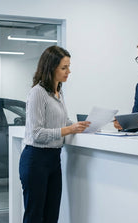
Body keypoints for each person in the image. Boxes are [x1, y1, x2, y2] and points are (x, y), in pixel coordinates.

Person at [19, 45, 90, 223]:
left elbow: (63, 122)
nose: (69, 71)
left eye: (69, 66)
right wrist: (69, 129)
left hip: (53, 159)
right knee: (34, 216)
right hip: (35, 160)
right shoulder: (37, 93)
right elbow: (37, 133)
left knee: (51, 216)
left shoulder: (58, 93)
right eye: (64, 68)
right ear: (51, 68)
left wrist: (80, 126)